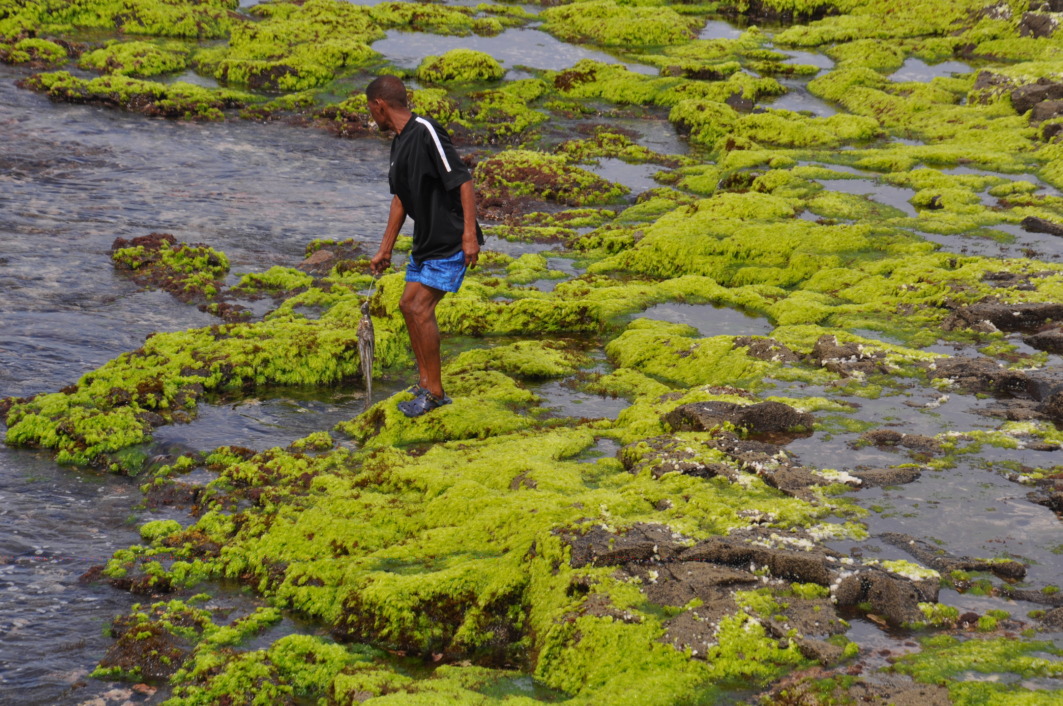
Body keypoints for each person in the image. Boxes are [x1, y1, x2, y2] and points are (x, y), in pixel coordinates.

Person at [365, 75, 483, 418]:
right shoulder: (398, 142)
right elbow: (401, 198)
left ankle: (435, 392)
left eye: (370, 109)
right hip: (425, 240)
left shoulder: (426, 131)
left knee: (419, 308)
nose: (371, 116)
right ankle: (424, 383)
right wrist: (385, 248)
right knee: (407, 304)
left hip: (450, 237)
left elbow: (462, 179)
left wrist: (469, 237)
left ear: (380, 105)